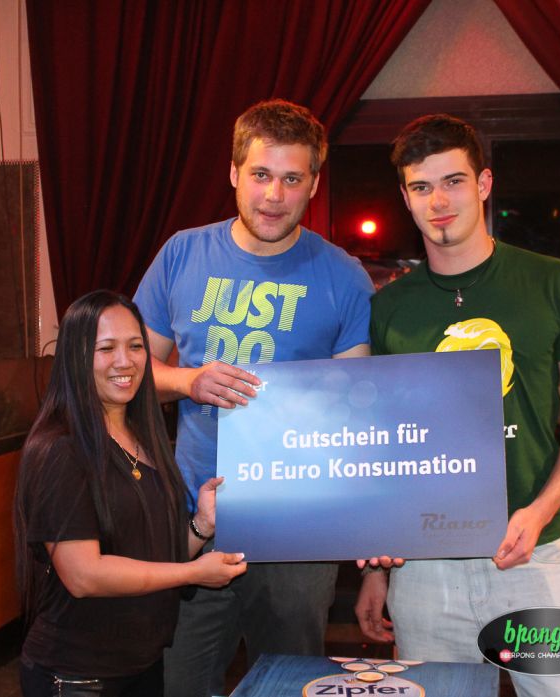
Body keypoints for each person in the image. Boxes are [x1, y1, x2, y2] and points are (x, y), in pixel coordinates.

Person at [355, 114, 560, 697]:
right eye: (422, 187)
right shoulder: (389, 308)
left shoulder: (554, 282)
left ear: (484, 183)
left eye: (454, 181)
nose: (439, 201)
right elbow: (382, 444)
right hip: (423, 568)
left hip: (534, 553)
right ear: (405, 197)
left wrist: (541, 510)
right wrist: (375, 574)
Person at [133, 98, 373, 696]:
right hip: (195, 519)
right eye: (262, 174)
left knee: (289, 684)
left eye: (292, 179)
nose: (274, 194)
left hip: (302, 527)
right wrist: (188, 381)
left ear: (313, 184)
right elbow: (129, 373)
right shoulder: (182, 254)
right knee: (180, 682)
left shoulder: (343, 275)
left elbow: (359, 411)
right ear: (234, 172)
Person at [15, 290, 247, 697]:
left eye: (136, 346)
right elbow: (83, 575)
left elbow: (151, 557)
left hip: (142, 666)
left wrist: (201, 525)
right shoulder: (60, 448)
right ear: (75, 356)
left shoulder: (144, 437)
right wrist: (194, 573)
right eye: (106, 349)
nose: (125, 361)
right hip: (78, 677)